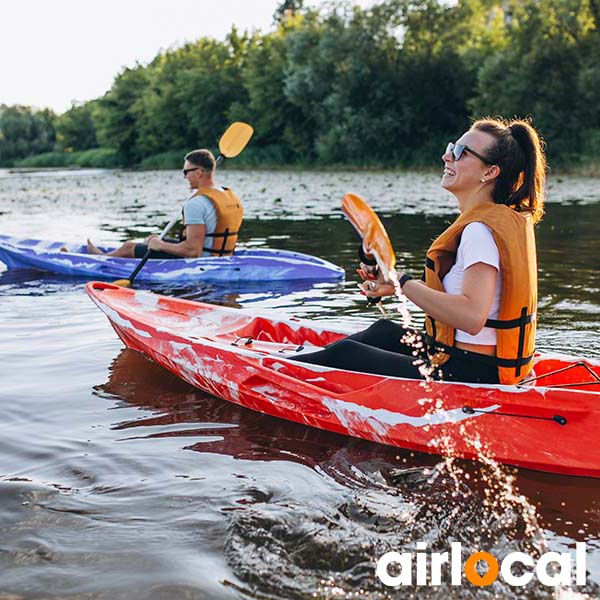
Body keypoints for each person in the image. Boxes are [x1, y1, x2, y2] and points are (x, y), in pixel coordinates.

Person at [295, 117, 546, 386]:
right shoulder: (496, 221)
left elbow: (472, 317)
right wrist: (395, 286)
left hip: (472, 372)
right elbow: (471, 297)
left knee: (347, 353)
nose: (446, 156)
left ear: (489, 172)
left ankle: (277, 372)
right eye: (452, 147)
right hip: (469, 361)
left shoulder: (480, 232)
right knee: (384, 331)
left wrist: (402, 282)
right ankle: (297, 364)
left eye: (460, 153)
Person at [86, 149, 243, 259]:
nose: (184, 177)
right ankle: (112, 254)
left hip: (202, 261)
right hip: (222, 256)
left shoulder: (196, 203)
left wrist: (160, 245)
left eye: (185, 172)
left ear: (199, 172)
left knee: (129, 247)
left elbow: (193, 251)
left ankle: (101, 259)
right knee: (150, 241)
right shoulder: (229, 194)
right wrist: (159, 242)